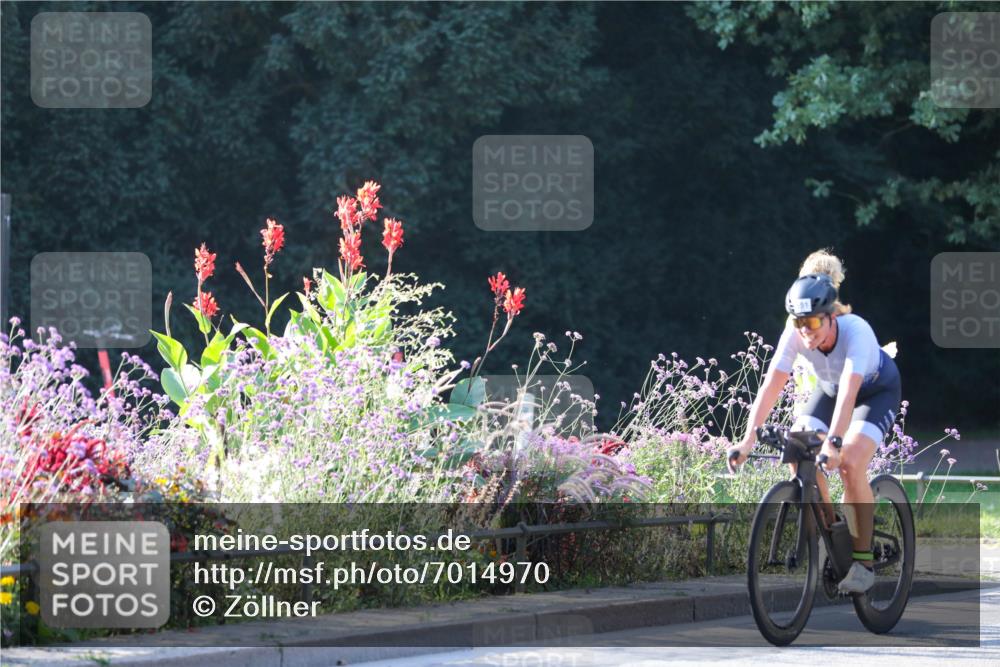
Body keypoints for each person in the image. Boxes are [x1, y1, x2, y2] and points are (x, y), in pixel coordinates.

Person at [727, 250, 901, 594]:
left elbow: (850, 395)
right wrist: (747, 440)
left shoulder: (856, 332)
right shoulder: (795, 332)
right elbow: (771, 385)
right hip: (831, 390)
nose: (806, 332)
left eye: (815, 323)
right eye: (799, 323)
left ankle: (864, 562)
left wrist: (833, 444)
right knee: (795, 451)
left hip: (874, 392)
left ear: (831, 315)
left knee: (850, 463)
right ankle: (835, 529)